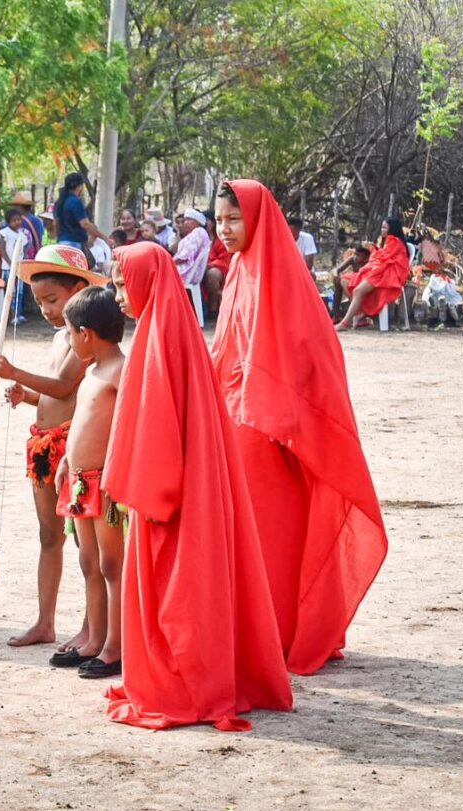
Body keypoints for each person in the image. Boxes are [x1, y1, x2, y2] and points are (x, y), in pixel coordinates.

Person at [105, 240, 294, 729]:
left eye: (124, 284)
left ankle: (183, 683)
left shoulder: (160, 335)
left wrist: (145, 491)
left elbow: (156, 424)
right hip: (184, 486)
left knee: (180, 587)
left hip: (168, 491)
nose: (119, 294)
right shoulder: (168, 328)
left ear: (147, 282)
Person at [212, 179, 388, 674]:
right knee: (248, 534)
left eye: (232, 219)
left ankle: (286, 633)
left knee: (277, 533)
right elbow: (227, 349)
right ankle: (257, 632)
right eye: (218, 221)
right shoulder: (238, 272)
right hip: (238, 420)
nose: (224, 230)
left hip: (275, 430)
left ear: (257, 218)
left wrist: (280, 412)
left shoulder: (282, 273)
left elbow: (315, 353)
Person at [0, 245, 104, 648]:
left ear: (78, 291)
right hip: (44, 444)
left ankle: (94, 626)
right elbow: (53, 395)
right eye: (39, 303)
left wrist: (17, 372)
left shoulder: (83, 340)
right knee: (48, 535)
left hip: (74, 448)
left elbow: (67, 386)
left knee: (86, 543)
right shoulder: (61, 338)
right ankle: (44, 621)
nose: (46, 310)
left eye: (53, 300)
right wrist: (28, 396)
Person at [54, 286, 126, 679]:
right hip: (80, 480)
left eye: (69, 333)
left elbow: (124, 427)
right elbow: (83, 420)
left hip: (104, 481)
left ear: (86, 333)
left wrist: (115, 473)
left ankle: (116, 645)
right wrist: (67, 457)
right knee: (88, 560)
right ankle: (94, 638)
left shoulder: (121, 371)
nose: (69, 341)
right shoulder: (91, 371)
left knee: (112, 564)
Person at [336, 218, 411, 330]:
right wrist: (373, 248)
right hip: (378, 271)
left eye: (385, 227)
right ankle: (359, 313)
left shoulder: (394, 240)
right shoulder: (387, 240)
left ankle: (345, 323)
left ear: (392, 229)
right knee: (345, 280)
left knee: (358, 290)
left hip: (386, 275)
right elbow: (380, 257)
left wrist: (371, 248)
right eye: (382, 227)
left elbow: (382, 257)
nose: (382, 230)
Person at [54, 172, 111, 259]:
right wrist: (103, 237)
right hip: (74, 244)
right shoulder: (75, 202)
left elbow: (56, 223)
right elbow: (85, 224)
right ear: (79, 186)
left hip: (61, 243)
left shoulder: (59, 202)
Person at [0, 208, 30, 324]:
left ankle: (19, 313)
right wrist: (10, 262)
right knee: (12, 290)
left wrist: (23, 261)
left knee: (20, 291)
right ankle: (12, 315)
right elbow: (2, 249)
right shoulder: (4, 233)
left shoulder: (22, 234)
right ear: (8, 222)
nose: (17, 222)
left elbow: (25, 249)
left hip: (20, 266)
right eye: (14, 220)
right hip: (8, 267)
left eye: (19, 219)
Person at [202, 209, 232, 319]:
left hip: (219, 270)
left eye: (207, 221)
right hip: (199, 269)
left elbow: (224, 260)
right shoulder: (198, 237)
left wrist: (209, 265)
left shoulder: (221, 239)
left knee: (212, 274)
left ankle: (213, 309)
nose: (205, 223)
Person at [328, 245, 371, 321]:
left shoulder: (369, 262)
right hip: (353, 283)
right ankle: (336, 315)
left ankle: (359, 313)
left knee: (344, 282)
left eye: (358, 256)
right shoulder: (352, 260)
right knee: (338, 283)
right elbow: (337, 269)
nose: (355, 257)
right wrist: (336, 275)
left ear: (365, 258)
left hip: (363, 285)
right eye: (355, 254)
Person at [172, 208, 211, 286]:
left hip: (189, 273)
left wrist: (169, 263)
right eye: (185, 220)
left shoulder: (199, 232)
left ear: (198, 221)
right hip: (185, 271)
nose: (185, 223)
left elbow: (185, 257)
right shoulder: (192, 234)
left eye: (189, 220)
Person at [11, 190, 45, 260]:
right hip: (33, 258)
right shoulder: (37, 221)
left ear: (20, 206)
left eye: (15, 205)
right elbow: (39, 240)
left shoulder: (14, 221)